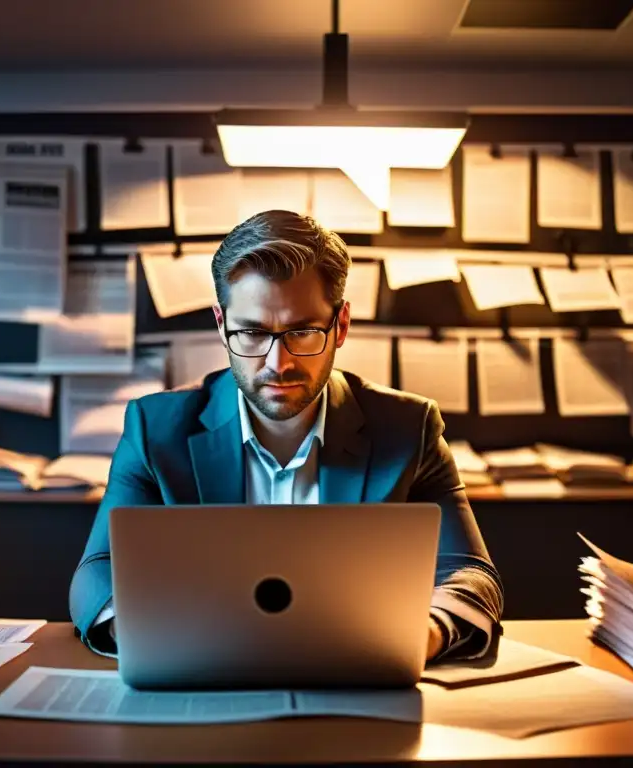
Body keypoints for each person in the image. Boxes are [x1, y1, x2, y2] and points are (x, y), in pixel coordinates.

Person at [70, 210, 503, 661]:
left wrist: (420, 636)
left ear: (341, 325)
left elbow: (470, 574)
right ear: (221, 323)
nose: (279, 364)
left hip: (358, 679)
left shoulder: (408, 429)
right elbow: (97, 574)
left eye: (302, 331)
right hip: (202, 675)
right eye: (253, 333)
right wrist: (154, 636)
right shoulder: (155, 430)